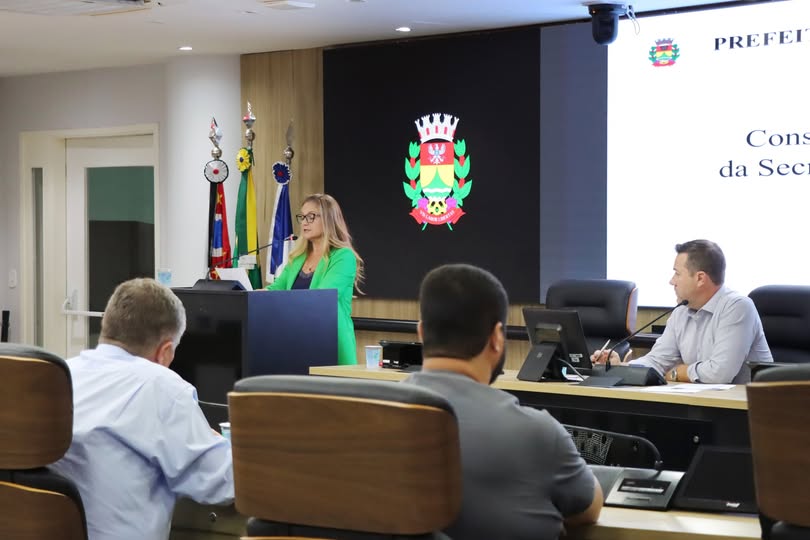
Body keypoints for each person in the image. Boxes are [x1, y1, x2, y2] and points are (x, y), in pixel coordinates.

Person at [404, 264, 602, 540]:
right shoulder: (537, 432)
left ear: (421, 333)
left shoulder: (366, 418)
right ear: (497, 338)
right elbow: (588, 510)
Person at [50, 278, 234, 540]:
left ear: (106, 327)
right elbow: (224, 483)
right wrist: (221, 445)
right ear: (165, 351)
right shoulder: (162, 387)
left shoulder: (59, 374)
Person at [593, 239, 772, 383]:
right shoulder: (682, 311)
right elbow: (658, 360)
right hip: (701, 404)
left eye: (677, 273)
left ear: (700, 278)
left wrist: (677, 372)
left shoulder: (738, 307)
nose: (672, 281)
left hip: (747, 410)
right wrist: (620, 368)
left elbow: (719, 373)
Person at [266, 193, 364, 365]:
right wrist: (250, 294)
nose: (304, 222)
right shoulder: (298, 258)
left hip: (330, 345)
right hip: (297, 343)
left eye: (311, 217)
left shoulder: (343, 257)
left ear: (328, 219)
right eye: (302, 217)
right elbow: (275, 289)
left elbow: (321, 298)